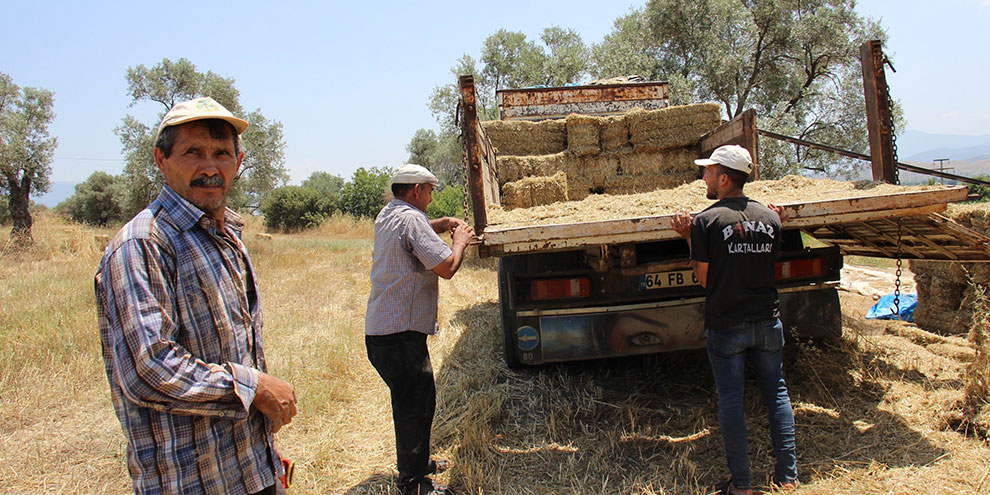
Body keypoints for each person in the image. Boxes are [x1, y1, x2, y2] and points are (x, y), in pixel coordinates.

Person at [96, 97, 297, 495]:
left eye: (221, 153)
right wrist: (252, 386)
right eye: (193, 152)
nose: (210, 167)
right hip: (190, 481)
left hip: (250, 470)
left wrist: (269, 462)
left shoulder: (223, 235)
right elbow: (148, 369)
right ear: (160, 159)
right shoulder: (144, 244)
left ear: (238, 163)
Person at [671, 145, 798, 495]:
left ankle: (742, 486)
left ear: (724, 178)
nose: (704, 178)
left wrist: (689, 238)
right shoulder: (772, 218)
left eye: (709, 172)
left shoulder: (708, 221)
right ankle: (787, 477)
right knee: (777, 393)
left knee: (731, 399)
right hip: (767, 322)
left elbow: (706, 279)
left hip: (727, 325)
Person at [365, 164, 474, 495]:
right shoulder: (411, 219)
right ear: (416, 190)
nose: (430, 195)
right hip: (400, 337)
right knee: (415, 405)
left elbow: (417, 229)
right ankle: (413, 484)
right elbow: (446, 267)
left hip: (383, 333)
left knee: (415, 400)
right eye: (429, 190)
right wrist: (460, 240)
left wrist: (439, 225)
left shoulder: (390, 213)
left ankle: (419, 464)